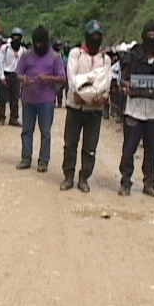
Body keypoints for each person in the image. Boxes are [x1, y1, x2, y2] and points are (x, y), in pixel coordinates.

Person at [118, 21, 154, 197]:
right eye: (149, 35)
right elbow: (122, 79)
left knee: (151, 150)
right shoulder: (132, 56)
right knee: (129, 149)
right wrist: (126, 86)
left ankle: (149, 183)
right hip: (134, 110)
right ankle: (125, 182)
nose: (152, 39)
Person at [60, 20, 112, 193]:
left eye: (99, 36)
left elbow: (106, 83)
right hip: (75, 107)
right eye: (93, 35)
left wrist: (100, 97)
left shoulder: (105, 59)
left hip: (95, 110)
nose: (96, 38)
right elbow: (72, 78)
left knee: (90, 147)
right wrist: (84, 93)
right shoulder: (76, 54)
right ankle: (68, 176)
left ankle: (84, 178)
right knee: (70, 144)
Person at [15, 26, 66, 173]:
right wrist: (23, 79)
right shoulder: (26, 56)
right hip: (28, 98)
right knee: (27, 130)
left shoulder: (55, 57)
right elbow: (18, 73)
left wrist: (47, 78)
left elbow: (62, 78)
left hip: (46, 100)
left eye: (41, 44)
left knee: (45, 132)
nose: (38, 46)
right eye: (36, 43)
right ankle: (26, 158)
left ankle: (43, 161)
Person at [0, 27, 25, 126]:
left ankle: (13, 118)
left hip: (16, 76)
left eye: (18, 36)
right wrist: (1, 76)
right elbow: (0, 62)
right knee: (3, 98)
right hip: (6, 74)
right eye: (15, 36)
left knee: (15, 98)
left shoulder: (22, 50)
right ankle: (1, 118)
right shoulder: (5, 48)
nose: (16, 38)